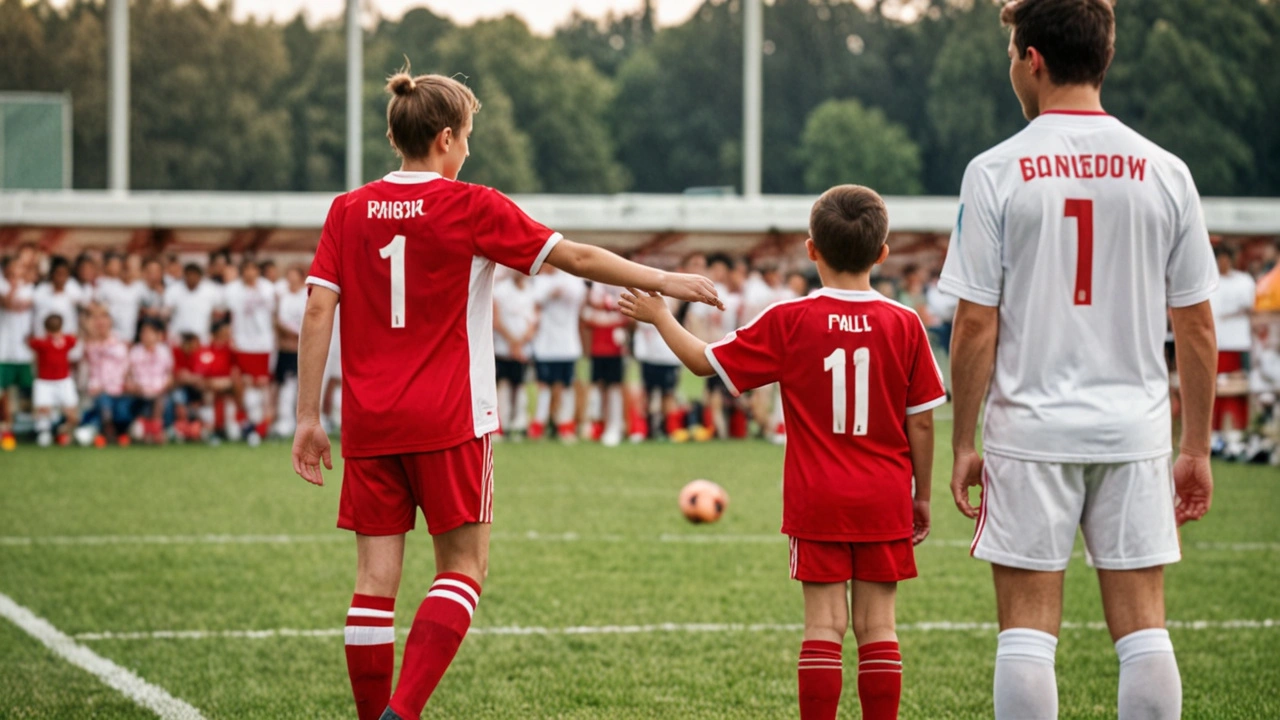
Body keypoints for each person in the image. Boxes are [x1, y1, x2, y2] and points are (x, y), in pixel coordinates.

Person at [289, 68, 719, 720]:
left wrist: (306, 417)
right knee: (462, 570)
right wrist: (664, 277)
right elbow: (574, 257)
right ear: (443, 139)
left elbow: (319, 311)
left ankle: (371, 715)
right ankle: (400, 715)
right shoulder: (472, 205)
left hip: (371, 421)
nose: (468, 150)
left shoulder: (347, 210)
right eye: (466, 137)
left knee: (373, 583)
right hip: (452, 416)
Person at [940, 2, 1218, 718]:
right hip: (1133, 430)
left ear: (1032, 59)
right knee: (1143, 626)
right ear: (1106, 55)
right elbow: (1196, 327)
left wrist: (962, 440)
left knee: (1028, 631)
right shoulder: (1167, 170)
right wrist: (1195, 448)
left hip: (1030, 430)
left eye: (1010, 55)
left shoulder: (996, 170)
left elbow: (974, 325)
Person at [621, 185, 944, 720]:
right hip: (885, 495)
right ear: (883, 254)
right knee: (879, 629)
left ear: (811, 249)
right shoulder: (906, 323)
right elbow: (924, 423)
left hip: (817, 497)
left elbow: (705, 363)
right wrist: (923, 494)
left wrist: (661, 318)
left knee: (822, 628)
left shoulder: (790, 320)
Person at [529, 265, 587, 441]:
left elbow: (580, 296)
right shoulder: (540, 280)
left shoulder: (572, 279)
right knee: (544, 386)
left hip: (567, 346)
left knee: (567, 387)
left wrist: (562, 291)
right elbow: (535, 299)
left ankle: (566, 425)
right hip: (545, 346)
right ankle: (539, 424)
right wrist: (550, 293)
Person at [1208, 245, 1256, 454]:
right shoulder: (1208, 282)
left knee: (1237, 390)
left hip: (1238, 343)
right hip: (1215, 344)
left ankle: (1238, 432)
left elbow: (1253, 308)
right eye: (1219, 259)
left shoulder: (1245, 281)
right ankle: (1213, 432)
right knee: (1213, 390)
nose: (1222, 263)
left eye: (1226, 259)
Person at [223, 258, 277, 442]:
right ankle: (243, 421)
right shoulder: (232, 290)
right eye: (246, 269)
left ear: (257, 271)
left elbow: (274, 315)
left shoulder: (269, 288)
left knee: (263, 384)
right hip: (242, 342)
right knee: (242, 383)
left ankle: (264, 423)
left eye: (253, 268)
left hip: (263, 343)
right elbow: (228, 315)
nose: (249, 273)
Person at [492, 269, 538, 440]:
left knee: (519, 387)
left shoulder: (530, 291)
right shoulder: (500, 290)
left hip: (522, 349)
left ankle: (517, 424)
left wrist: (520, 343)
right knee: (502, 386)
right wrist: (512, 342)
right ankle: (500, 424)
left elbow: (533, 322)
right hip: (503, 348)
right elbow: (496, 320)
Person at [582, 281, 628, 446]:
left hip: (615, 348)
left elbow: (626, 314)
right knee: (598, 387)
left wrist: (607, 307)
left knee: (614, 388)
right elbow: (587, 315)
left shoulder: (622, 285)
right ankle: (598, 425)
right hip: (598, 347)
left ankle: (615, 425)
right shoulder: (594, 285)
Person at [0, 254, 36, 446]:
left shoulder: (30, 287)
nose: (16, 272)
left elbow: (27, 306)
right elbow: (7, 304)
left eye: (20, 268)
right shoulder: (3, 286)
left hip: (23, 351)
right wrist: (14, 286)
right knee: (2, 391)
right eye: (13, 268)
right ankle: (5, 425)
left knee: (23, 391)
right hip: (3, 349)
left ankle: (19, 427)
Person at [28, 314, 79, 447]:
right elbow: (30, 341)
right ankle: (44, 432)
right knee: (43, 409)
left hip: (63, 380)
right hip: (44, 381)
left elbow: (74, 339)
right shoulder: (41, 342)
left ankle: (65, 432)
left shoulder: (66, 340)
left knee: (70, 409)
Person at [83, 307, 132, 443]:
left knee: (122, 413)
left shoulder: (119, 343)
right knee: (104, 405)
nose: (100, 323)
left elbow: (125, 369)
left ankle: (120, 432)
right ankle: (104, 432)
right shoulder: (88, 345)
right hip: (96, 391)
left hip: (119, 391)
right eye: (96, 319)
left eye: (104, 318)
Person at [274, 265, 308, 437]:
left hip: (303, 346)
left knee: (302, 387)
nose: (291, 279)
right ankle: (285, 420)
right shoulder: (282, 295)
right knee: (286, 385)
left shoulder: (307, 295)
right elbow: (277, 320)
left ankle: (302, 421)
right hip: (286, 348)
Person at [127, 319, 173, 444]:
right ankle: (150, 432)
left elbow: (170, 375)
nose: (145, 335)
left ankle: (155, 431)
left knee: (160, 400)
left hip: (160, 391)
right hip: (140, 392)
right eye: (143, 332)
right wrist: (135, 387)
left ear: (158, 334)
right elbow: (129, 375)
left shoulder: (164, 351)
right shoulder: (135, 352)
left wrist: (163, 387)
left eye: (149, 332)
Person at [93, 252, 147, 343]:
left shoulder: (139, 287)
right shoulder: (106, 284)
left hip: (130, 335)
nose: (128, 271)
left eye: (133, 268)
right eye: (126, 268)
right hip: (110, 336)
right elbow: (95, 305)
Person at [163, 264, 224, 344]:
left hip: (201, 336)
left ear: (200, 277)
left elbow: (220, 311)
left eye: (194, 275)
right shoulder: (173, 289)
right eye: (189, 275)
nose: (191, 278)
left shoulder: (211, 290)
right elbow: (165, 312)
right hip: (178, 336)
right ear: (184, 275)